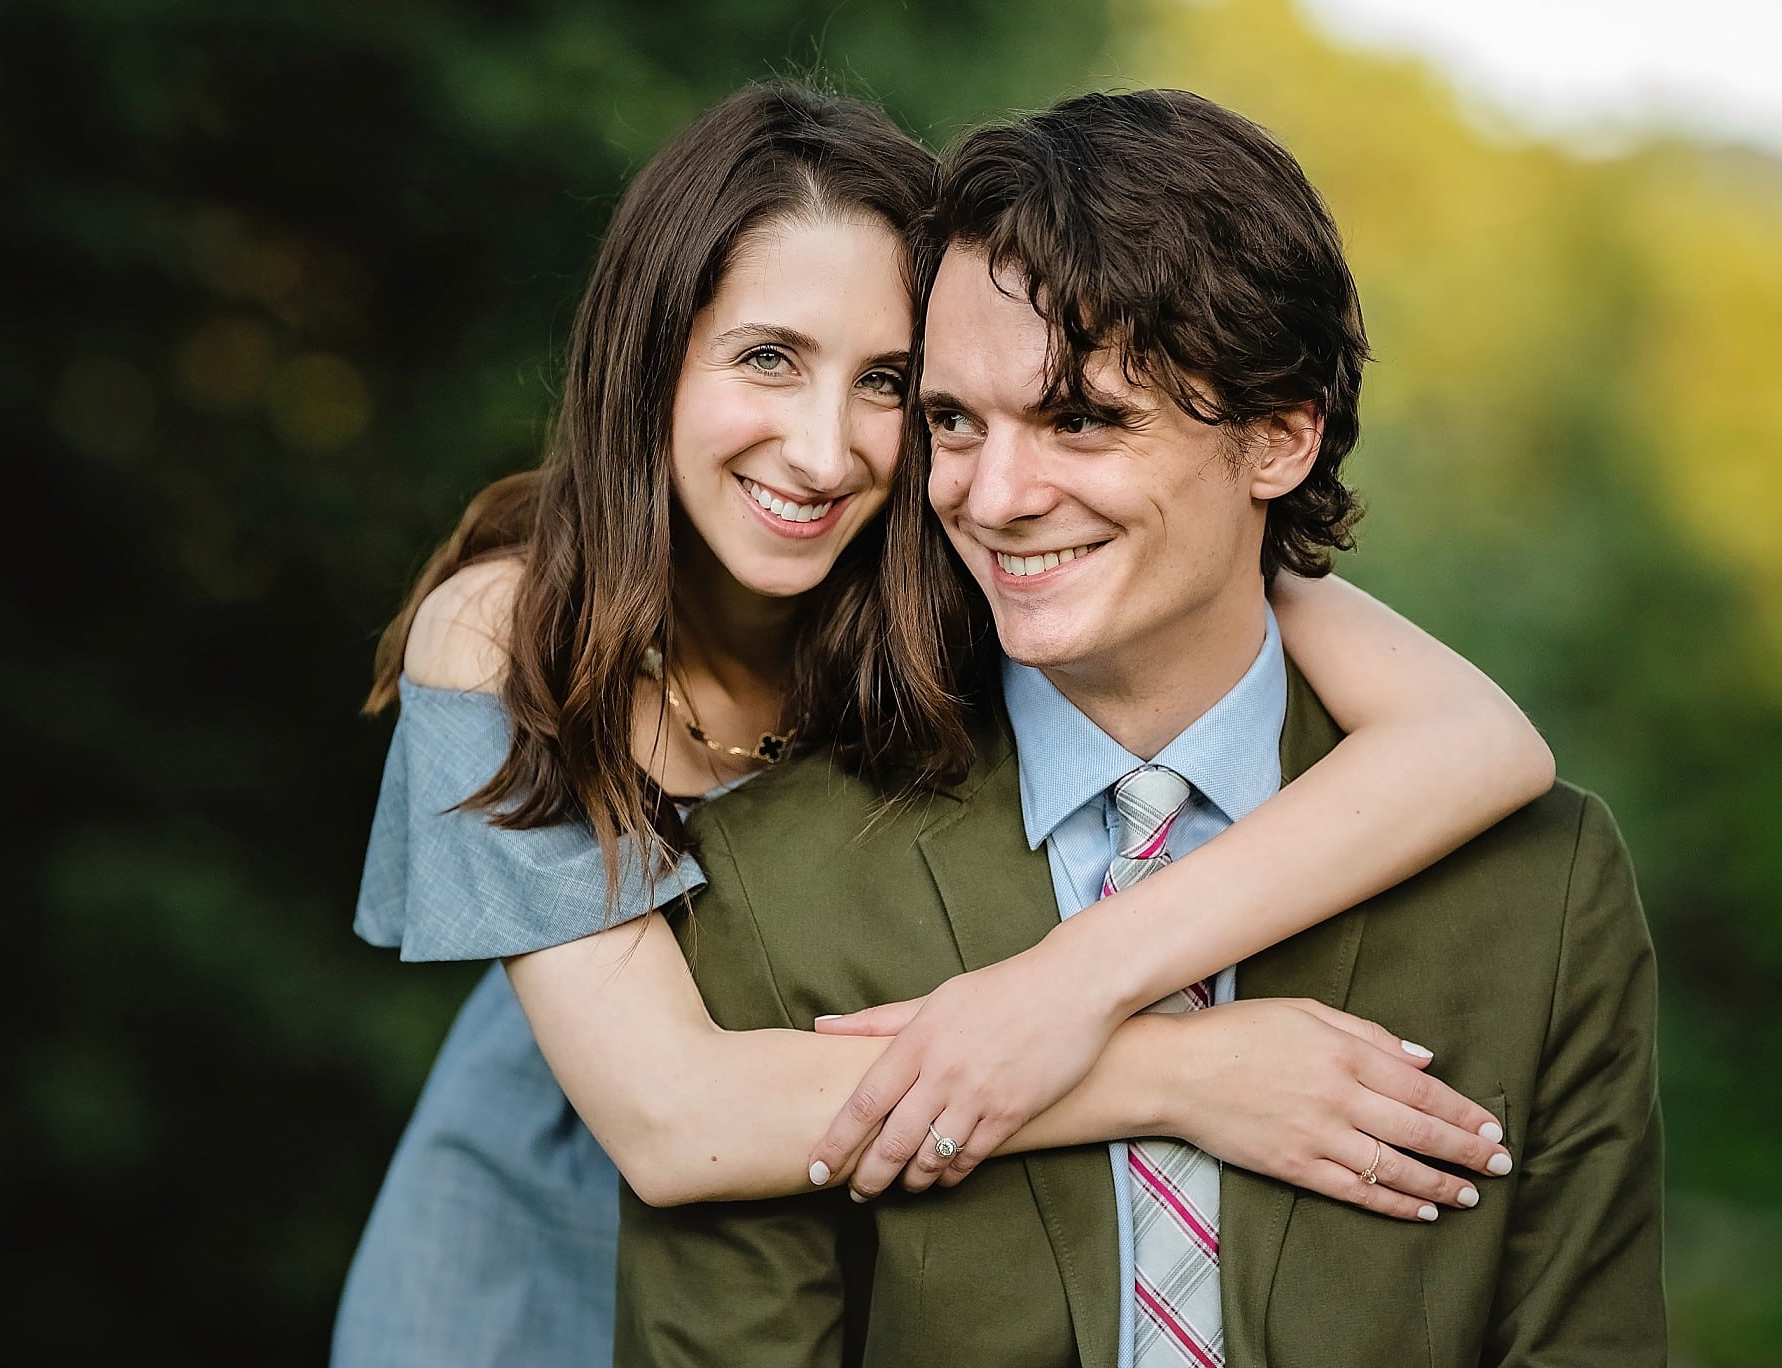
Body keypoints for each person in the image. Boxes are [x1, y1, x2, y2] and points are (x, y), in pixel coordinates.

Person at [332, 82, 1557, 1368]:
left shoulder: (995, 546)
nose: (819, 453)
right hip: (543, 1218)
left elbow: (1477, 742)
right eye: (765, 358)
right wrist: (1180, 1072)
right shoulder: (505, 630)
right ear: (651, 357)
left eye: (887, 384)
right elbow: (669, 1121)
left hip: (849, 1225)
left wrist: (1071, 984)